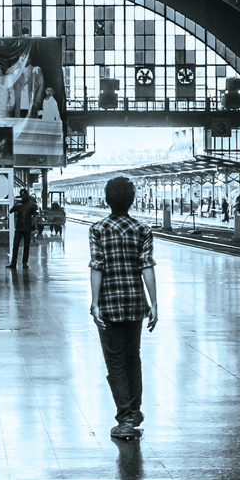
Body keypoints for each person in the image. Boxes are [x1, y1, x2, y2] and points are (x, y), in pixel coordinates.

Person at [88, 177, 158, 441]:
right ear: (132, 199)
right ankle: (135, 409)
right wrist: (154, 303)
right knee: (133, 357)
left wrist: (95, 303)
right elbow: (147, 267)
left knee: (115, 361)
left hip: (109, 304)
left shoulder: (98, 229)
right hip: (135, 304)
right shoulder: (142, 229)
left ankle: (126, 419)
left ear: (107, 200)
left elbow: (97, 266)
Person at [10, 189, 39, 268]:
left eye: (23, 195)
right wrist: (15, 206)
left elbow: (35, 215)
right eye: (21, 195)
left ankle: (24, 262)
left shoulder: (32, 205)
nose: (22, 197)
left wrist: (34, 223)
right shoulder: (18, 204)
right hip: (19, 227)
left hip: (27, 227)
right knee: (15, 245)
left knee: (26, 245)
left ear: (27, 195)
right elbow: (10, 211)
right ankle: (13, 262)